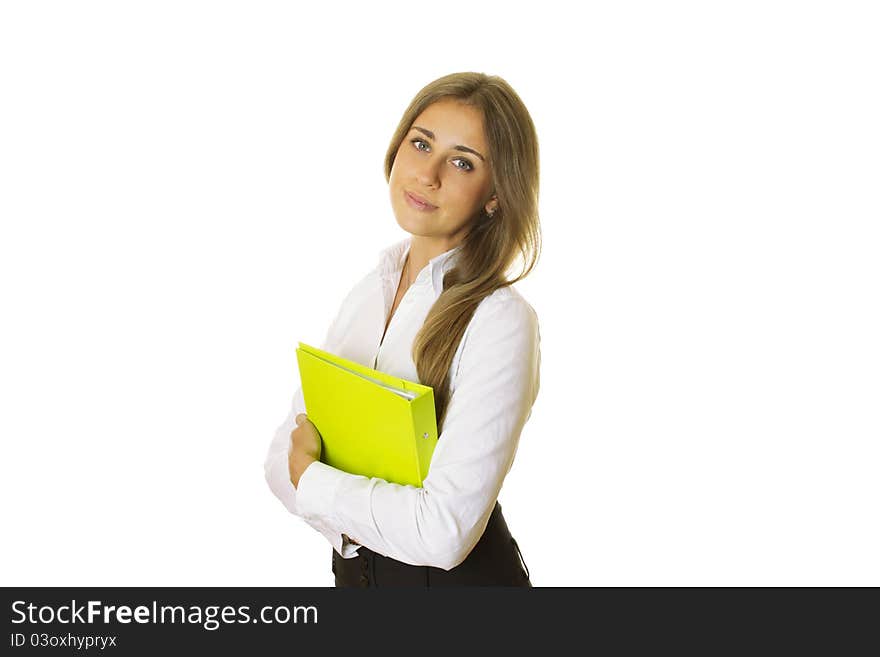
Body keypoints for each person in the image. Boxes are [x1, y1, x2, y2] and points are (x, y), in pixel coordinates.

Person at [264, 71, 541, 586]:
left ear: (495, 194)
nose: (428, 173)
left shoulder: (500, 321)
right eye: (421, 143)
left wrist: (318, 484)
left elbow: (443, 534)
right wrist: (339, 496)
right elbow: (280, 460)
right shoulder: (371, 290)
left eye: (462, 162)